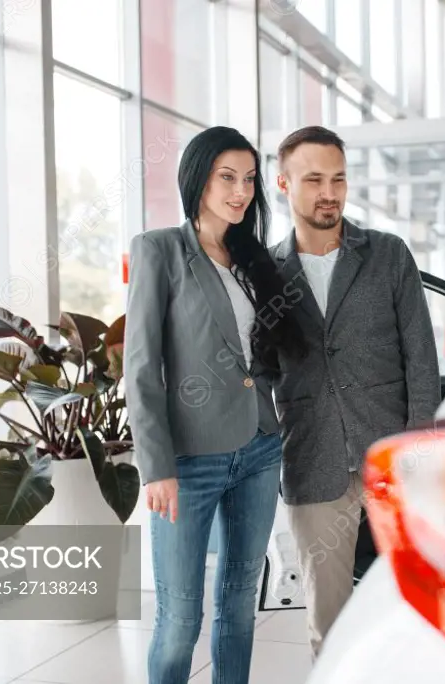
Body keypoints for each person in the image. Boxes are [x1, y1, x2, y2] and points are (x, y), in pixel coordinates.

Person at [124, 125, 309, 684]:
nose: (240, 191)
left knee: (239, 609)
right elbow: (140, 366)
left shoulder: (254, 259)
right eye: (227, 177)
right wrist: (155, 467)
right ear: (197, 179)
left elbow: (266, 360)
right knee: (180, 619)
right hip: (188, 462)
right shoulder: (160, 250)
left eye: (249, 179)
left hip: (257, 450)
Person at [269, 125, 441, 658]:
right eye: (315, 179)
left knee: (418, 605)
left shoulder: (388, 255)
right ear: (283, 184)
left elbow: (421, 357)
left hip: (390, 456)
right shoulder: (265, 273)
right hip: (313, 458)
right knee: (329, 617)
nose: (329, 192)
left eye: (338, 179)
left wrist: (417, 452)